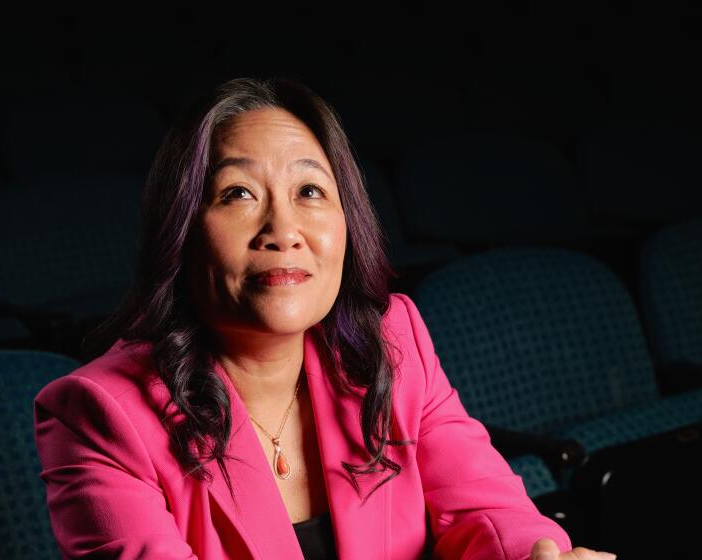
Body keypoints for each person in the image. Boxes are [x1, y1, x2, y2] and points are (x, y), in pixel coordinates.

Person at [33, 76, 617, 559]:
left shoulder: (392, 341)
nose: (283, 231)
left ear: (347, 222)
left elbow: (487, 511)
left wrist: (535, 555)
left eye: (310, 191)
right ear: (181, 231)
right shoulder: (99, 414)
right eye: (237, 194)